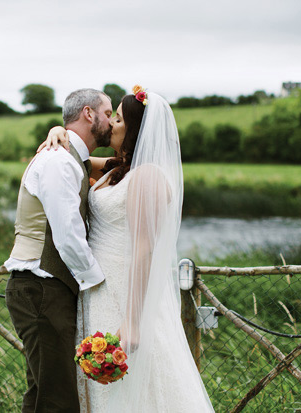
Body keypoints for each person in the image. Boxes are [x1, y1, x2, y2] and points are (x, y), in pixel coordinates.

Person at [40, 87, 214, 412]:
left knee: (136, 392)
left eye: (118, 118)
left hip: (124, 293)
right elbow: (75, 155)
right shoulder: (119, 168)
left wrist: (132, 323)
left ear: (135, 129)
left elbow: (144, 250)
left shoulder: (147, 177)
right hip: (99, 290)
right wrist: (58, 131)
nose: (112, 125)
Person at [4, 88, 113, 412]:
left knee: (44, 395)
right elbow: (67, 235)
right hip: (40, 287)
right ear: (89, 114)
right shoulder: (58, 161)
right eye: (108, 113)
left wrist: (58, 130)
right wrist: (99, 286)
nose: (110, 121)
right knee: (57, 400)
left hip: (49, 288)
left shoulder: (70, 157)